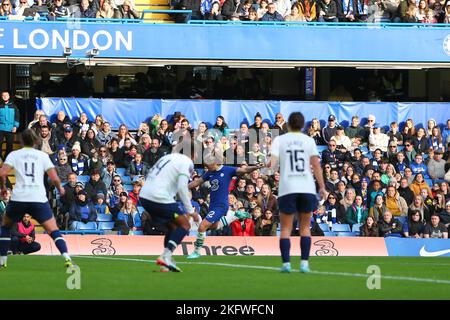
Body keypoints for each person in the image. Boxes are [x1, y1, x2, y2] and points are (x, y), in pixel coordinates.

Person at [0, 129, 72, 269]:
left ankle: (3, 259)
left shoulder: (14, 154)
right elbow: (54, 177)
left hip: (19, 198)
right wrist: (60, 188)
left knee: (5, 227)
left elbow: (2, 173)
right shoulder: (42, 156)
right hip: (38, 198)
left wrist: (3, 188)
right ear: (35, 140)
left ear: (21, 140)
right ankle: (66, 257)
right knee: (53, 230)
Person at [266, 112, 326, 273]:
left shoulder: (279, 140)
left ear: (288, 124)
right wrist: (322, 187)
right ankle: (304, 263)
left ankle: (286, 264)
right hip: (306, 187)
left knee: (286, 228)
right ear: (303, 124)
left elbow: (271, 166)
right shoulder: (309, 140)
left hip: (288, 188)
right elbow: (316, 165)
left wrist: (264, 163)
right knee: (305, 227)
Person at [187, 152, 261, 259]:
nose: (206, 166)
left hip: (221, 205)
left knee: (202, 226)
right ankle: (233, 216)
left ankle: (197, 251)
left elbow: (243, 170)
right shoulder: (210, 172)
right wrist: (185, 187)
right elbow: (197, 182)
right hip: (213, 205)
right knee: (213, 226)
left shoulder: (227, 170)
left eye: (208, 163)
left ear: (215, 163)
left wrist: (255, 167)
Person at [138, 153, 196, 272]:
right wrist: (190, 211)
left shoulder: (166, 157)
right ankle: (166, 255)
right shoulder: (186, 161)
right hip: (159, 197)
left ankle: (165, 264)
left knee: (173, 227)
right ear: (193, 153)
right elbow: (182, 187)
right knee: (185, 225)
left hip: (144, 196)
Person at [0, 91, 19, 161]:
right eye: (3, 95)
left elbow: (17, 117)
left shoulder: (14, 106)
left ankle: (7, 159)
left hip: (10, 128)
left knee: (10, 145)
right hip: (0, 128)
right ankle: (0, 159)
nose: (5, 97)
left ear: (9, 96)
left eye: (6, 95)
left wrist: (15, 126)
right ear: (1, 97)